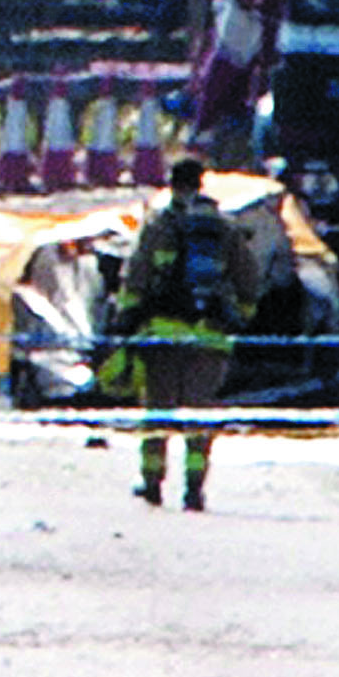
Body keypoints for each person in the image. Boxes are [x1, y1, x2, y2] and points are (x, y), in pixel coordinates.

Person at [110, 156, 263, 511]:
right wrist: (237, 318)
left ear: (171, 183)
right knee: (200, 414)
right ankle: (194, 488)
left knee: (158, 413)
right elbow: (249, 280)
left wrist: (125, 319)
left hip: (162, 334)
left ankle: (152, 483)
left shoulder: (159, 224)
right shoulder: (224, 227)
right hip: (209, 336)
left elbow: (136, 276)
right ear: (201, 183)